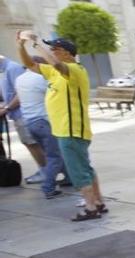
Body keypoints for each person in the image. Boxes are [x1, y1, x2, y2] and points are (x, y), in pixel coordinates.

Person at [17, 33, 106, 221]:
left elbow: (56, 64)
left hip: (71, 130)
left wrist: (36, 42)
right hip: (65, 130)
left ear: (66, 53)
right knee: (85, 167)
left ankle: (91, 208)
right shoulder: (54, 72)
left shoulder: (74, 69)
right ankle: (98, 202)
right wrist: (20, 46)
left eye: (54, 49)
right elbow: (30, 65)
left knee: (78, 171)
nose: (51, 52)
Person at [15, 56, 66, 199]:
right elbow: (56, 93)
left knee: (53, 153)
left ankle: (69, 178)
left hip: (29, 122)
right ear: (38, 64)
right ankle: (48, 188)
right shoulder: (40, 78)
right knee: (54, 156)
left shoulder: (20, 79)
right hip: (44, 121)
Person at [0, 54, 47, 183]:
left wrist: (7, 108)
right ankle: (44, 170)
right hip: (17, 114)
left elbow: (20, 93)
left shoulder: (12, 68)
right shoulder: (4, 70)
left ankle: (45, 172)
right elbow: (10, 94)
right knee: (29, 143)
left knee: (32, 144)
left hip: (24, 114)